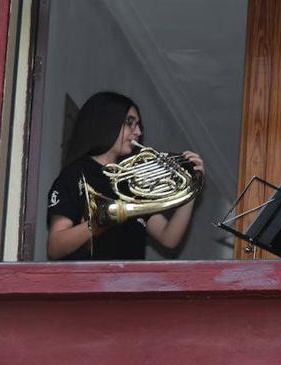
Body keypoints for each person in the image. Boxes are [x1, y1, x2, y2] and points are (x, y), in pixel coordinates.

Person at [46, 91, 205, 260]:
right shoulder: (75, 175)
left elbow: (169, 238)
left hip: (130, 285)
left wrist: (191, 187)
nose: (138, 131)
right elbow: (55, 246)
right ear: (108, 122)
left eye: (139, 125)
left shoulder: (132, 181)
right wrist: (99, 222)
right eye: (130, 123)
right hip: (87, 284)